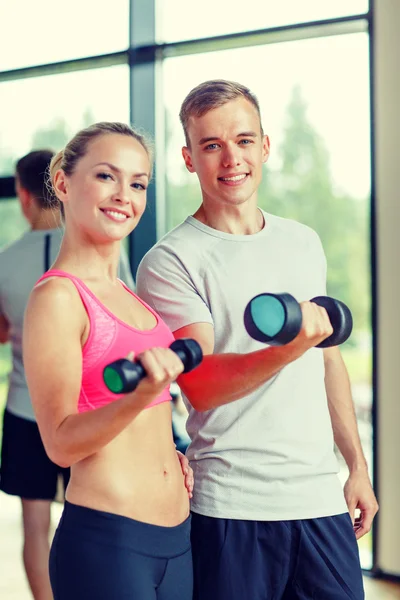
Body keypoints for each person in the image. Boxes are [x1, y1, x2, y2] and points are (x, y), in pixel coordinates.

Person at [136, 79, 379, 600]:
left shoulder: (302, 241)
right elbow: (199, 385)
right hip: (233, 508)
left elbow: (327, 358)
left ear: (265, 146)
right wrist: (291, 346)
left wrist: (357, 466)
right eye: (212, 145)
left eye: (244, 140)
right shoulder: (171, 261)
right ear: (188, 157)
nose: (231, 159)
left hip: (319, 501)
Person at [22, 122, 194, 600]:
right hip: (110, 543)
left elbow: (148, 419)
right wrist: (136, 399)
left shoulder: (130, 295)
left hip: (178, 537)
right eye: (106, 176)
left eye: (138, 183)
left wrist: (172, 455)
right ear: (62, 183)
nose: (124, 195)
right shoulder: (58, 297)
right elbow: (60, 444)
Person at [0, 149, 137, 600]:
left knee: (36, 525)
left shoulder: (5, 262)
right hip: (94, 412)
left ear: (23, 196)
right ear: (61, 187)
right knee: (99, 518)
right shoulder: (99, 257)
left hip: (26, 412)